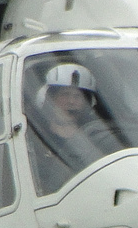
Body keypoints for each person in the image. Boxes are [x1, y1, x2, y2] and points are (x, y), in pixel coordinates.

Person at [28, 61, 120, 193]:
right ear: (50, 99)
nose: (72, 101)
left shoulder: (97, 139)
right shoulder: (35, 137)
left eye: (78, 96)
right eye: (65, 94)